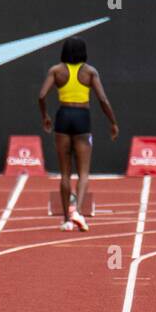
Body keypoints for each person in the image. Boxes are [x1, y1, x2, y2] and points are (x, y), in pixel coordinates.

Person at [38, 36, 119, 231]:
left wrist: (45, 117)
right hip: (82, 117)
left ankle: (67, 219)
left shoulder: (56, 71)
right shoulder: (90, 72)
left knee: (65, 173)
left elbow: (41, 95)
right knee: (83, 172)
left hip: (63, 116)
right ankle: (78, 212)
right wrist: (113, 122)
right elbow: (103, 99)